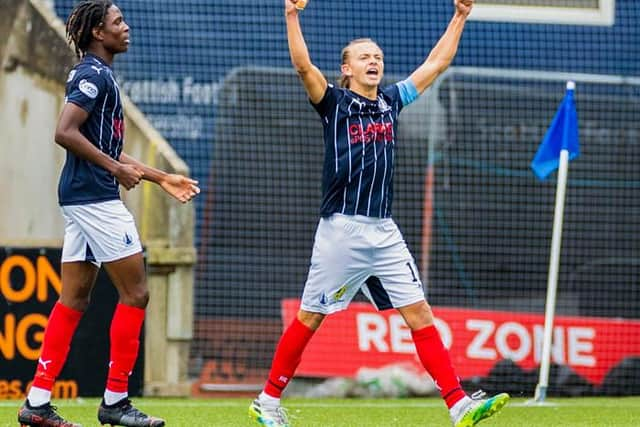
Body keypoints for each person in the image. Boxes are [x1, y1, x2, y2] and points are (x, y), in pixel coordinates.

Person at [248, 1, 509, 426]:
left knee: (420, 314)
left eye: (379, 57)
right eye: (364, 57)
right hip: (342, 230)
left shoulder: (392, 101)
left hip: (384, 231)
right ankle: (268, 401)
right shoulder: (332, 102)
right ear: (346, 69)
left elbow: (436, 63)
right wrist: (291, 15)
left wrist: (459, 15)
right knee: (310, 316)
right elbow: (302, 67)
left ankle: (459, 404)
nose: (374, 61)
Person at [17, 1, 199, 426]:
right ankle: (115, 401)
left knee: (74, 299)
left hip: (82, 197)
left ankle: (37, 403)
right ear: (98, 32)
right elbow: (64, 131)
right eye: (118, 21)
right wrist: (115, 170)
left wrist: (160, 178)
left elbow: (107, 146)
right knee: (136, 293)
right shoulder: (92, 75)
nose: (126, 27)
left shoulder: (100, 75)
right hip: (96, 200)